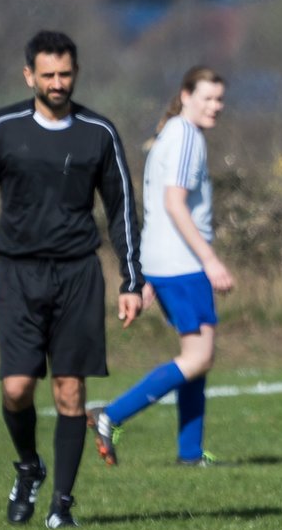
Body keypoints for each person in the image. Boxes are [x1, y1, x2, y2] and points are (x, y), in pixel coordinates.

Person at [0, 30, 143, 529]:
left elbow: (122, 207)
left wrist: (132, 280)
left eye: (65, 74)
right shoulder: (3, 127)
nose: (58, 83)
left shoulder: (98, 133)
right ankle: (28, 467)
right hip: (17, 272)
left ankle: (62, 505)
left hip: (78, 274)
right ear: (29, 76)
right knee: (18, 388)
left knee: (69, 392)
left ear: (76, 73)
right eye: (48, 75)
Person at [86, 66, 231, 467]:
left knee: (195, 358)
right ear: (185, 95)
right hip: (183, 265)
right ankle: (110, 415)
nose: (215, 106)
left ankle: (189, 453)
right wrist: (210, 260)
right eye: (207, 97)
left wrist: (146, 273)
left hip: (166, 263)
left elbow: (155, 210)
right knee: (199, 357)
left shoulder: (171, 134)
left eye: (220, 99)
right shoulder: (185, 135)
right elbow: (173, 203)